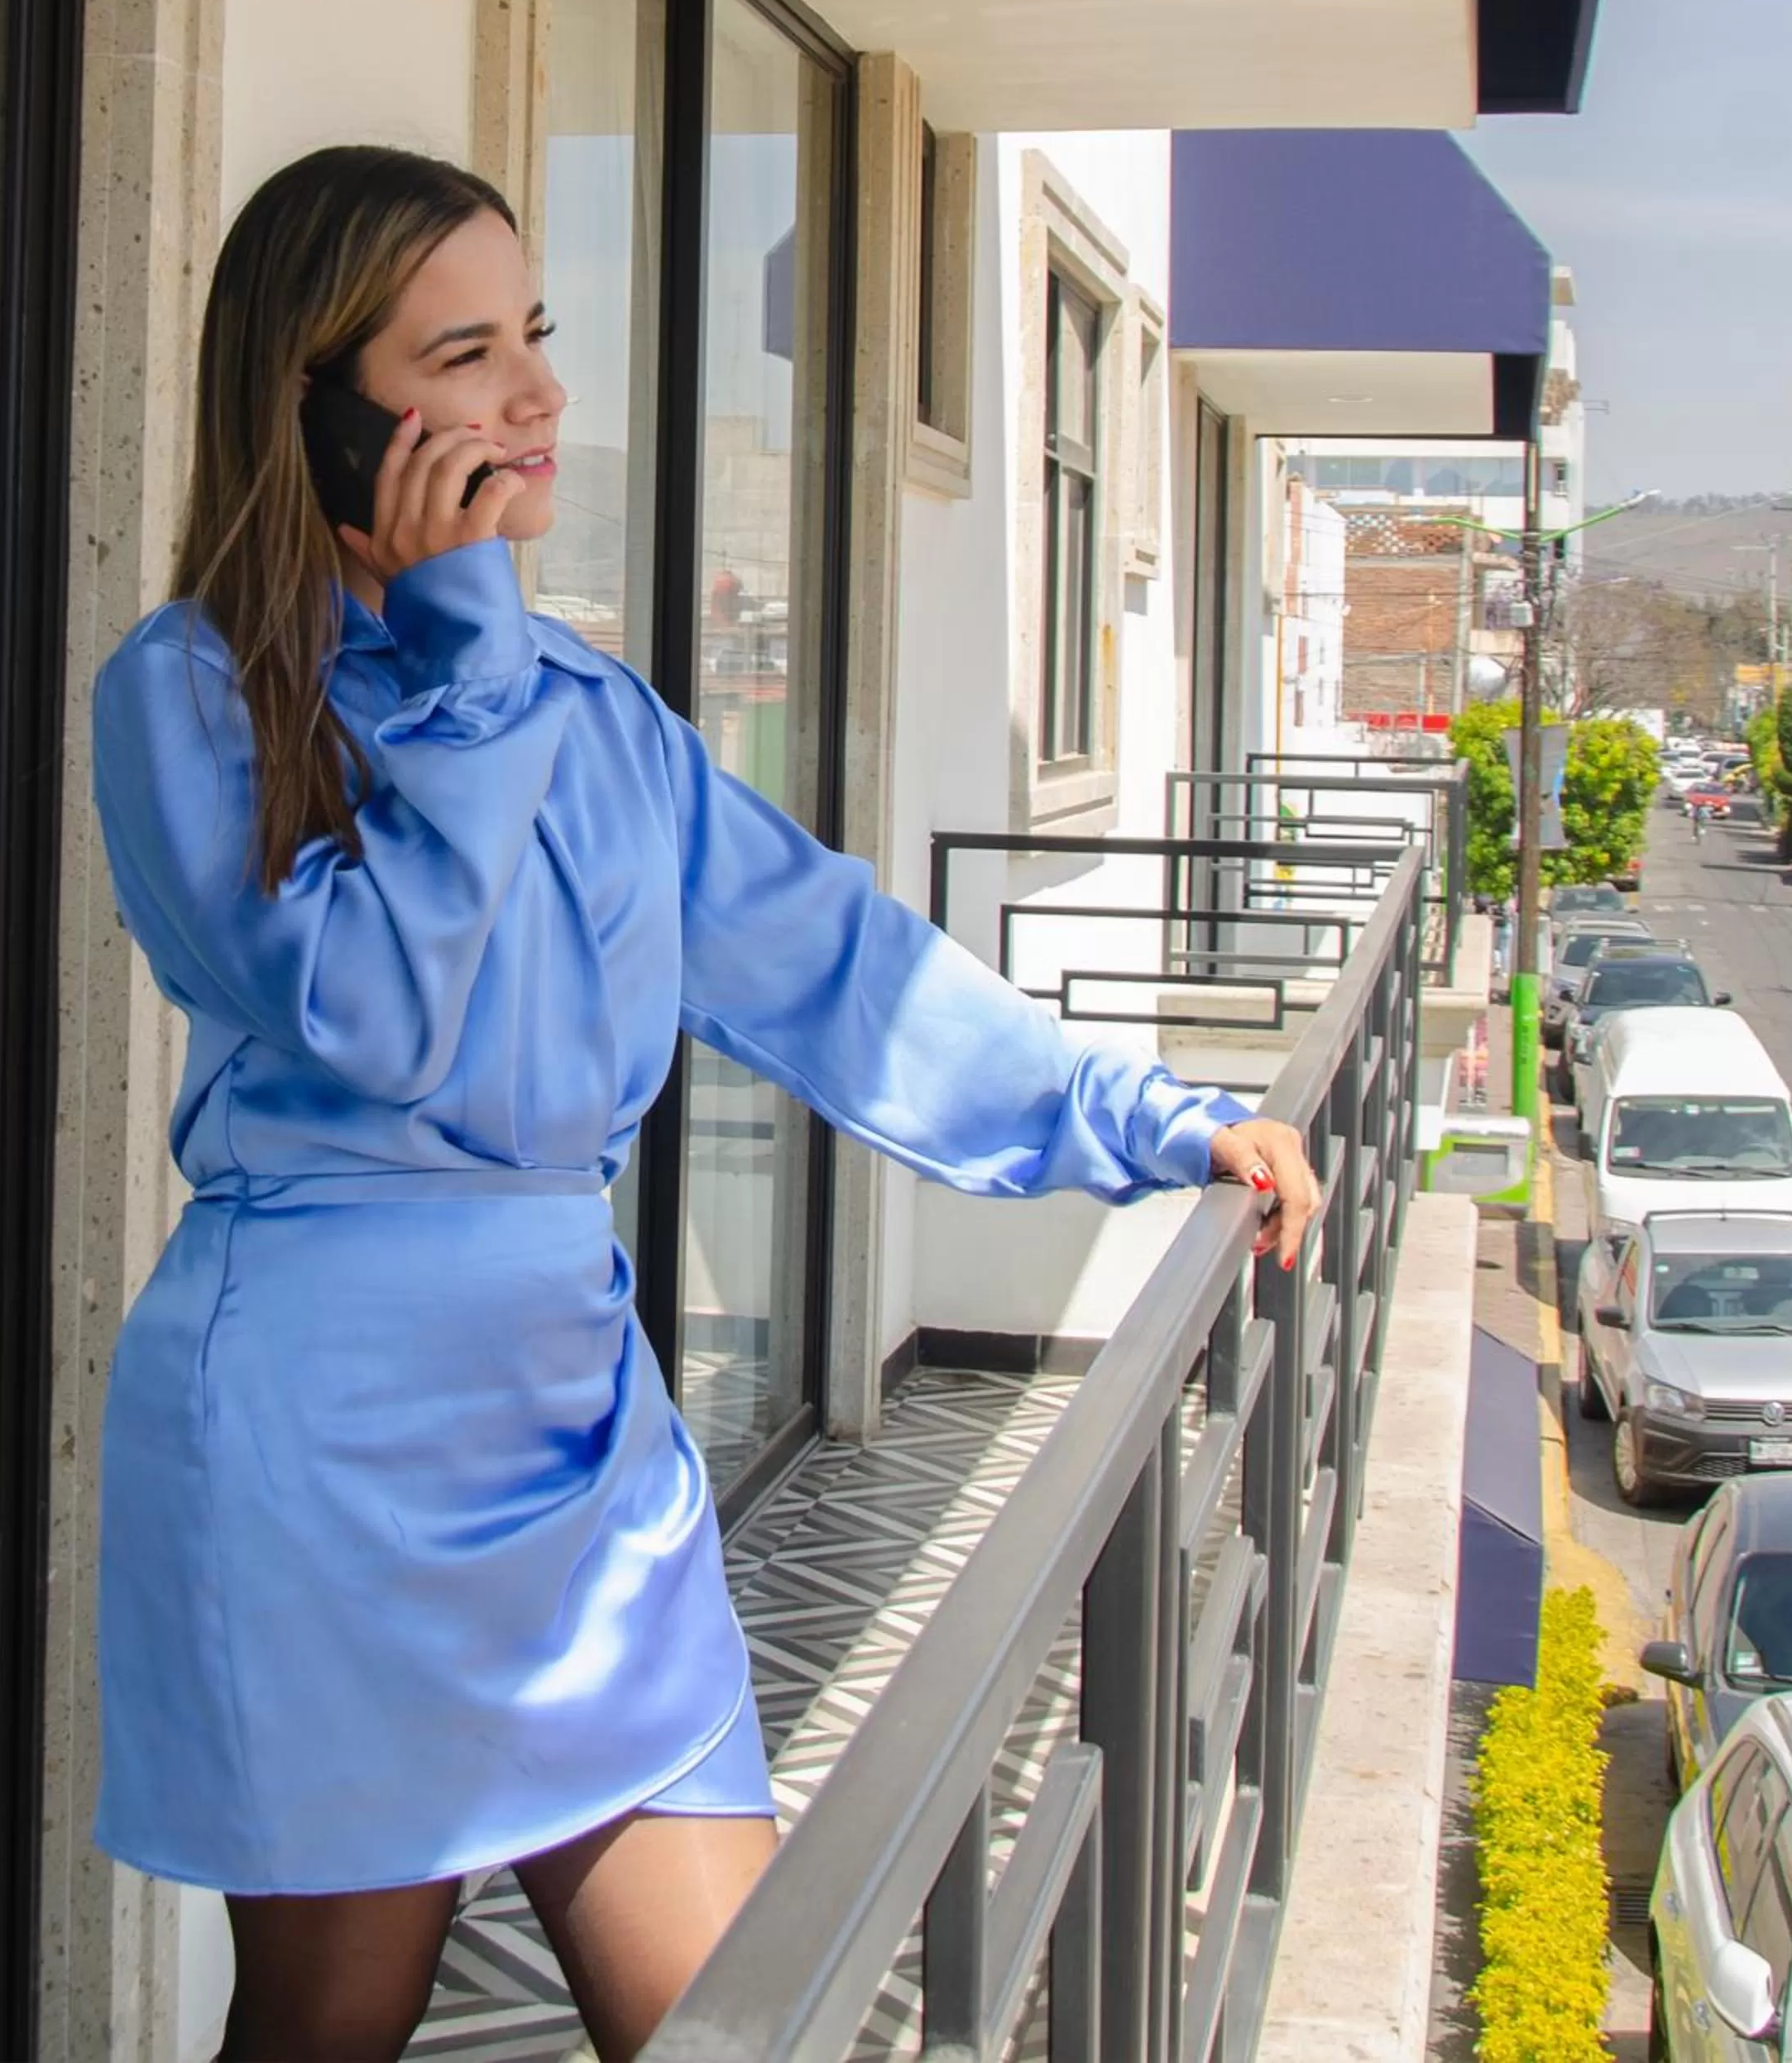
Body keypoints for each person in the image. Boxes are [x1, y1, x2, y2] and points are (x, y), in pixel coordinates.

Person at [87, 146, 1320, 2061]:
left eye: (537, 339)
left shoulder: (590, 720)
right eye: (468, 353)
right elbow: (379, 1009)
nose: (538, 395)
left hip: (576, 1425)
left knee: (744, 2018)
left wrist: (1151, 1115)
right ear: (324, 409)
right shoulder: (189, 692)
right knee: (327, 2023)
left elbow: (842, 965)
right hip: (321, 1439)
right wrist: (469, 654)